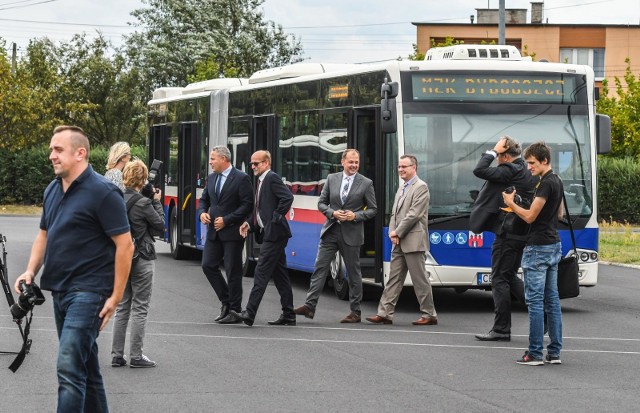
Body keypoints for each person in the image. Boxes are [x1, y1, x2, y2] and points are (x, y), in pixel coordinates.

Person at [15, 125, 134, 412]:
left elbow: (126, 245)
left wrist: (116, 296)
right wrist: (30, 270)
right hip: (60, 291)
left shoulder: (104, 192)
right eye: (51, 150)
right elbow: (44, 234)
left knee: (69, 365)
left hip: (90, 292)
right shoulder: (52, 189)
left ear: (80, 153)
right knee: (87, 370)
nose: (51, 156)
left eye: (58, 150)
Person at [293, 149, 377, 323]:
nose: (354, 165)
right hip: (331, 230)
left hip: (352, 233)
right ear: (343, 162)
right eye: (351, 162)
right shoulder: (332, 179)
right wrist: (333, 213)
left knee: (353, 273)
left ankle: (356, 312)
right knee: (319, 268)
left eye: (356, 162)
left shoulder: (366, 183)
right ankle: (309, 306)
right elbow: (321, 203)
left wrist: (355, 216)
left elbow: (373, 209)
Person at [503, 141, 564, 366]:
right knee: (553, 300)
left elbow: (529, 217)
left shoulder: (545, 183)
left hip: (537, 246)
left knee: (536, 302)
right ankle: (555, 353)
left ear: (544, 161)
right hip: (553, 244)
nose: (528, 167)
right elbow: (559, 213)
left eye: (532, 163)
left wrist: (511, 203)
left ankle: (535, 353)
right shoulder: (558, 181)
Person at [471, 136, 537, 342]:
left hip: (507, 232)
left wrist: (491, 150)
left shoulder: (510, 169)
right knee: (508, 276)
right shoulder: (527, 170)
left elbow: (479, 170)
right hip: (521, 231)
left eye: (498, 156)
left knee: (499, 278)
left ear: (505, 156)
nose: (496, 160)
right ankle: (542, 316)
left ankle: (501, 329)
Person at [366, 155, 437, 326]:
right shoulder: (402, 187)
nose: (400, 170)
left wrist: (397, 232)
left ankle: (429, 315)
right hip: (398, 239)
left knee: (420, 280)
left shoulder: (421, 187)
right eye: (399, 167)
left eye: (404, 166)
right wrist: (392, 231)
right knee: (394, 279)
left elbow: (414, 214)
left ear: (415, 168)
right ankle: (384, 314)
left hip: (413, 240)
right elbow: (394, 214)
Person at [111, 160, 165, 368]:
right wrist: (157, 201)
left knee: (123, 306)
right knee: (140, 307)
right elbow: (160, 226)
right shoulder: (143, 203)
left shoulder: (115, 200)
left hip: (121, 257)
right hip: (142, 255)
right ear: (142, 179)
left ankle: (117, 354)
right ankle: (135, 355)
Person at [235, 150, 294, 326]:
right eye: (252, 163)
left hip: (275, 235)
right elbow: (261, 210)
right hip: (270, 233)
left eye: (256, 163)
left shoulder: (271, 178)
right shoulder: (260, 180)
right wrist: (250, 224)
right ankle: (289, 314)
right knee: (280, 274)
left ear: (266, 163)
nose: (253, 166)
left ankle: (250, 313)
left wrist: (275, 219)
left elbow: (287, 197)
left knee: (260, 272)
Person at [198, 146, 253, 323]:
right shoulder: (212, 177)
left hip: (232, 232)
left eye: (213, 158)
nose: (210, 162)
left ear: (223, 159)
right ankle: (226, 301)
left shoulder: (241, 178)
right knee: (208, 266)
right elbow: (204, 200)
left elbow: (247, 205)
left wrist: (227, 220)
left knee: (233, 271)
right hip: (213, 232)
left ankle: (235, 310)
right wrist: (202, 213)